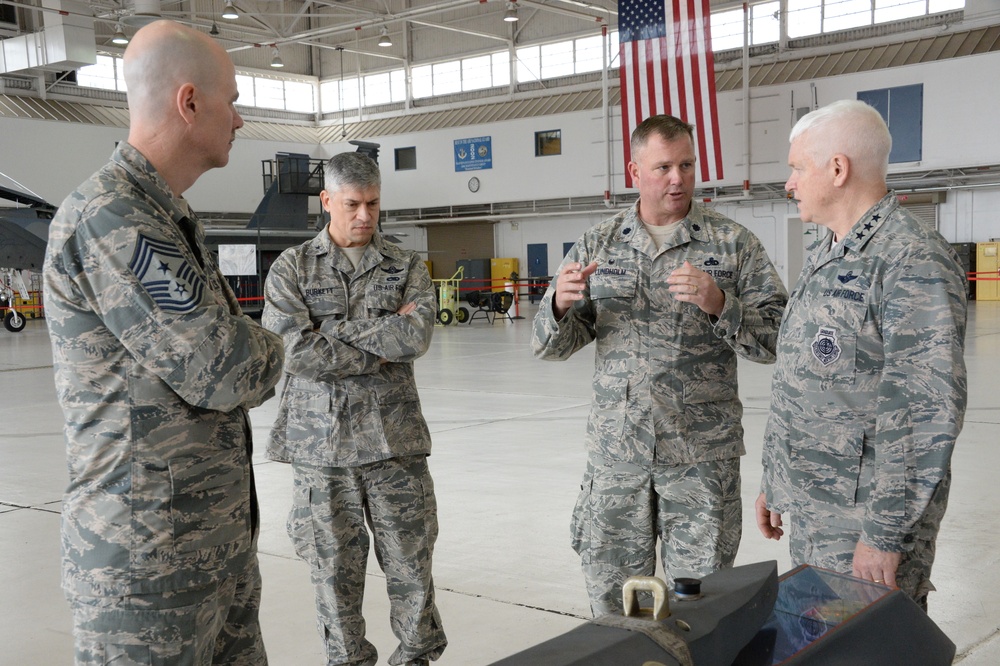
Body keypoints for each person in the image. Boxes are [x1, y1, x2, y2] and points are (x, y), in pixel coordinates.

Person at [42, 20, 284, 665]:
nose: (238, 118)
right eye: (231, 99)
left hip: (203, 550)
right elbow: (225, 368)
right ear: (188, 102)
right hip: (147, 572)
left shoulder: (164, 215)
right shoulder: (115, 218)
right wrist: (279, 339)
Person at [531, 114, 788, 616]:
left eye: (687, 165)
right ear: (635, 171)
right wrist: (559, 306)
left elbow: (777, 339)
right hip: (616, 457)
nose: (678, 178)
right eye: (664, 166)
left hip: (699, 457)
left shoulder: (732, 245)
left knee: (704, 600)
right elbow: (550, 347)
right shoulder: (597, 245)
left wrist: (721, 305)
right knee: (612, 601)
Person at [756, 100, 967, 610]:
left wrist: (884, 533)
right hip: (815, 514)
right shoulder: (831, 252)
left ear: (837, 168)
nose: (789, 183)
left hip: (863, 527)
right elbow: (806, 380)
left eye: (797, 168)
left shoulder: (910, 259)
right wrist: (776, 480)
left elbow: (923, 410)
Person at [262, 151, 447, 666]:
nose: (365, 215)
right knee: (332, 570)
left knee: (412, 566)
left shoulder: (405, 265)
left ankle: (415, 658)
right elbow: (292, 350)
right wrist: (379, 337)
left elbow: (416, 335)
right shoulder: (292, 268)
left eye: (373, 204)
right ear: (327, 201)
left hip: (395, 446)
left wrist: (332, 334)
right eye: (353, 204)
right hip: (320, 452)